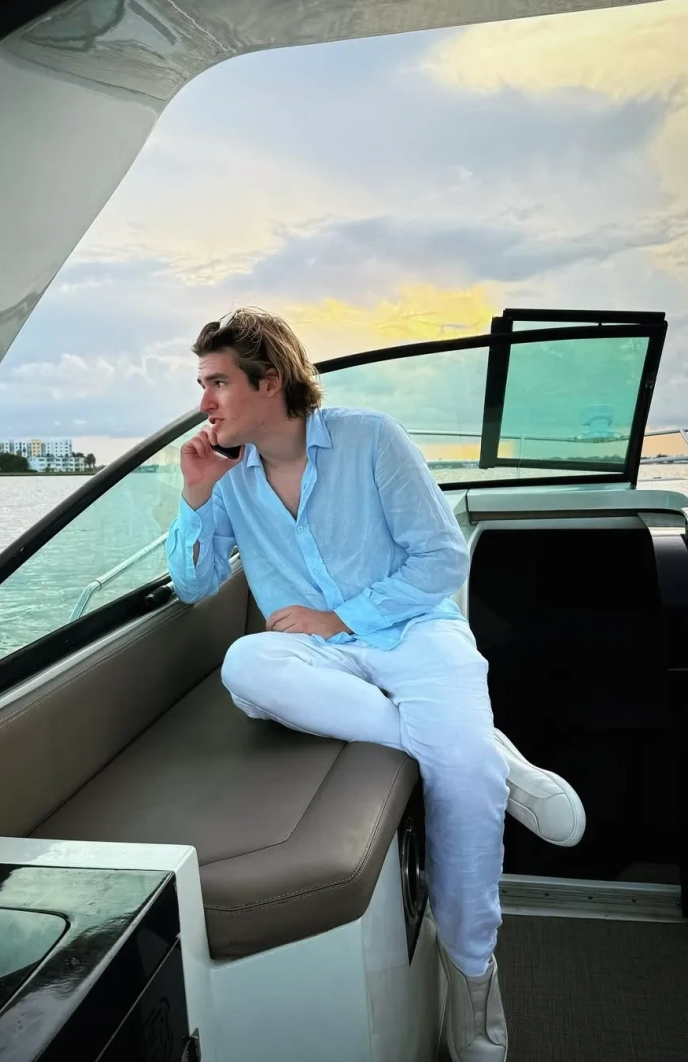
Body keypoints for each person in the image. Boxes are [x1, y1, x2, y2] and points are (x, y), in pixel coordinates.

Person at [166, 308, 586, 1062]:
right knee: (245, 664)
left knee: (461, 783)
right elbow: (194, 585)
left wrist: (341, 616)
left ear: (270, 381)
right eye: (203, 384)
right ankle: (490, 754)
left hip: (415, 632)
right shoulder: (228, 479)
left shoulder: (371, 439)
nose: (205, 402)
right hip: (320, 658)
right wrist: (195, 497)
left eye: (218, 382)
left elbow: (441, 560)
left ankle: (473, 982)